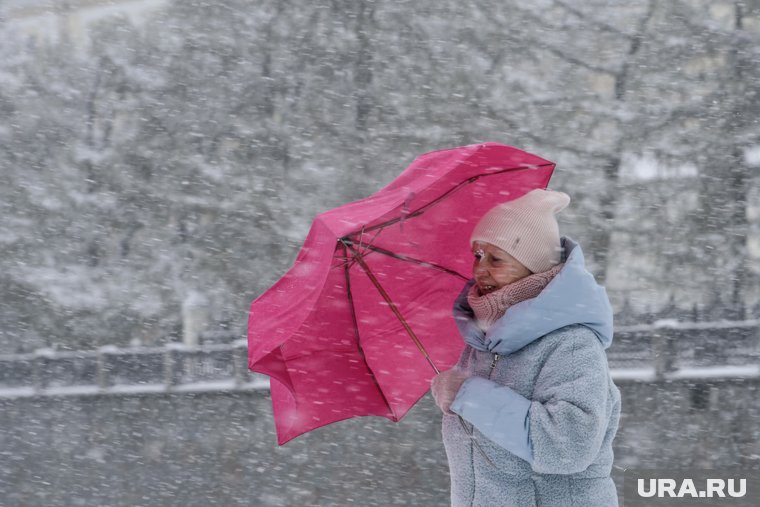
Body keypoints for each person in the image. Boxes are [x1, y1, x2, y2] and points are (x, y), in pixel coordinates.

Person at [431, 189, 621, 506]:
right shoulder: (481, 344)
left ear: (532, 266)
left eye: (496, 259)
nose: (480, 269)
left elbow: (568, 446)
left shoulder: (571, 343)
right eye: (478, 256)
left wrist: (469, 395)